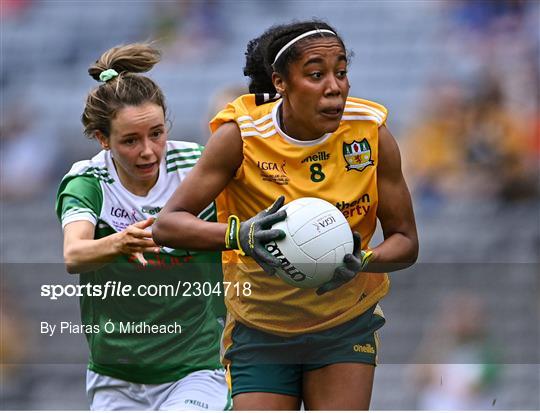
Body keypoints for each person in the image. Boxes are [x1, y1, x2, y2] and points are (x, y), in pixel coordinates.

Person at [153, 20, 418, 410]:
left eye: (341, 73)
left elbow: (407, 242)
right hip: (261, 328)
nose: (335, 86)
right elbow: (168, 224)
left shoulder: (371, 132)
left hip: (345, 323)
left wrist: (363, 261)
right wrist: (239, 236)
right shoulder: (240, 136)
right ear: (280, 82)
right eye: (316, 74)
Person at [55, 43, 229, 410]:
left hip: (196, 369)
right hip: (115, 376)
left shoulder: (195, 166)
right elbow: (74, 254)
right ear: (104, 140)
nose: (148, 151)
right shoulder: (89, 181)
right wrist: (121, 243)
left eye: (156, 133)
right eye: (130, 141)